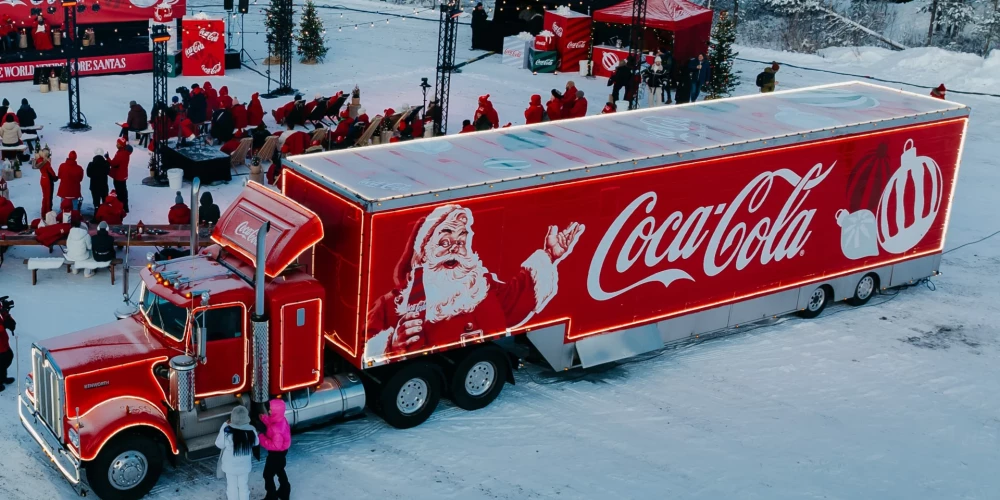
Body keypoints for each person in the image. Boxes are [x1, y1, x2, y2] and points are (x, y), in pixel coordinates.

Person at [215, 405, 258, 500]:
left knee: (232, 488)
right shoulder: (251, 431)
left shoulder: (227, 432)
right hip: (244, 467)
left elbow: (219, 444)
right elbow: (256, 442)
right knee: (244, 487)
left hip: (230, 468)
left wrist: (224, 425)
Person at [259, 398, 292, 500]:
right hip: (282, 453)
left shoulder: (277, 430)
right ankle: (285, 490)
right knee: (280, 470)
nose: (268, 411)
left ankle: (271, 496)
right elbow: (272, 422)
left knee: (267, 475)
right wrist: (264, 418)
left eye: (270, 410)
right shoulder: (280, 419)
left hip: (276, 454)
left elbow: (275, 446)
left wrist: (261, 438)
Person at [107, 138, 132, 213]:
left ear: (121, 145)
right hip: (123, 174)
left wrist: (107, 158)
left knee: (120, 192)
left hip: (119, 176)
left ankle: (122, 207)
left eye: (118, 144)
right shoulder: (125, 152)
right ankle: (125, 206)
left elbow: (114, 163)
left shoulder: (121, 154)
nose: (116, 145)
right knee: (123, 191)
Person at [37, 148, 56, 217]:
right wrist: (55, 177)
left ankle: (43, 212)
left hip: (42, 179)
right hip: (48, 180)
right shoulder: (46, 163)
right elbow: (51, 172)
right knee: (48, 197)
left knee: (44, 197)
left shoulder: (39, 160)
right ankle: (48, 213)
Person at [0, 295, 13, 392]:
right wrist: (4, 325)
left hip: (3, 342)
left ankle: (2, 377)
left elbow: (2, 312)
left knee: (8, 356)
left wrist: (5, 311)